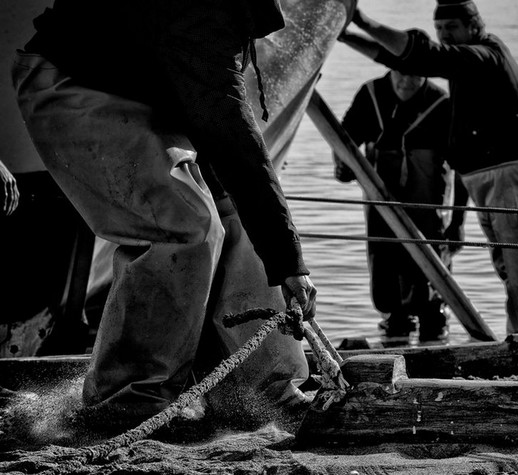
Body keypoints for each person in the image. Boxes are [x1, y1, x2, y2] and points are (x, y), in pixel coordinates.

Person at [11, 0, 317, 427]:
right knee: (184, 222)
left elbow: (221, 124)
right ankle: (129, 402)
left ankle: (263, 395)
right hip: (71, 86)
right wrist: (291, 263)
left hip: (154, 96)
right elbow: (233, 132)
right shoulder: (200, 12)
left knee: (241, 222)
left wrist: (284, 261)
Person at [340, 0, 518, 371]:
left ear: (474, 26)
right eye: (439, 29)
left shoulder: (483, 55)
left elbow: (422, 56)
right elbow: (405, 60)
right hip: (488, 177)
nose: (444, 36)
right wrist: (344, 36)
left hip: (510, 172)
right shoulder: (462, 62)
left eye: (451, 28)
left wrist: (361, 20)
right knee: (513, 271)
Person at [334, 67, 461, 342]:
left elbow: (463, 166)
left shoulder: (441, 103)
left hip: (427, 206)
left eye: (414, 74)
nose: (406, 81)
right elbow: (344, 138)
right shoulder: (371, 94)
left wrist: (458, 221)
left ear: (425, 74)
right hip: (381, 202)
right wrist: (343, 166)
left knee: (430, 281)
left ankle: (434, 331)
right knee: (385, 275)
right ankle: (395, 331)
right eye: (400, 73)